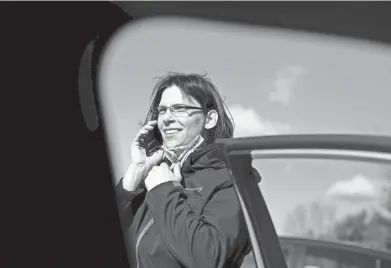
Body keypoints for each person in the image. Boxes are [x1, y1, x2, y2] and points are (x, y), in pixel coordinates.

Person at [115, 72, 261, 268]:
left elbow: (209, 258)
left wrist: (165, 192)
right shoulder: (153, 176)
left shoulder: (231, 180)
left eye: (179, 108)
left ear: (209, 119)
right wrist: (128, 188)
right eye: (162, 110)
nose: (166, 118)